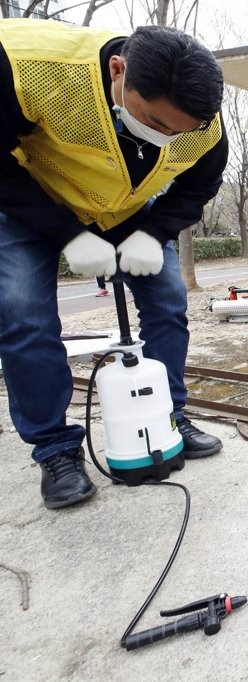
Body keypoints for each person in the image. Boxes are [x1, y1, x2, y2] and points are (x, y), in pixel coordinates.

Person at [0, 20, 228, 509]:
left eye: (180, 132)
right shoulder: (28, 65)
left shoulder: (204, 124)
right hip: (32, 201)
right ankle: (56, 451)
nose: (167, 137)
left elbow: (197, 187)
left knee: (169, 299)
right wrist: (67, 234)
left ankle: (168, 417)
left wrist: (154, 233)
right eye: (156, 122)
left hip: (128, 209)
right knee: (22, 314)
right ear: (116, 70)